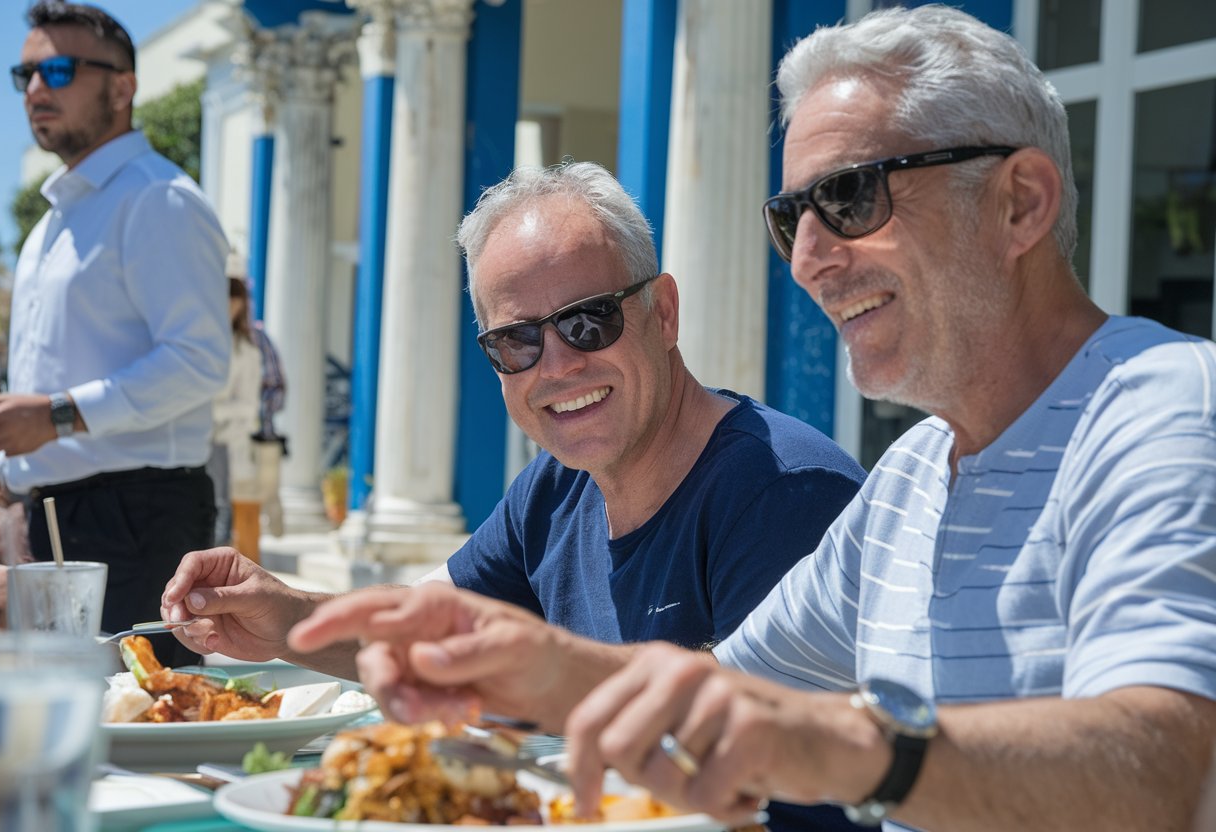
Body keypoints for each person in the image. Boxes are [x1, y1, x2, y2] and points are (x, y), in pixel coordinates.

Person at [240, 6, 1216, 832]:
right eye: (795, 218)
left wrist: (845, 738)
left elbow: (1160, 762)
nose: (810, 257)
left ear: (1020, 202)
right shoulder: (917, 475)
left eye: (851, 196)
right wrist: (528, 663)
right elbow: (715, 693)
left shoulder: (1163, 407)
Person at [163, 162, 867, 828]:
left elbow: (752, 750)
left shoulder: (782, 489)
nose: (558, 366)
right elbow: (429, 633)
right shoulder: (556, 488)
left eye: (589, 321)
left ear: (665, 312)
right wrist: (284, 617)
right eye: (516, 343)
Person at [0, 1, 229, 666]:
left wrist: (57, 417)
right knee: (49, 731)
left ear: (123, 86)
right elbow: (43, 389)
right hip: (51, 516)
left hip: (134, 518)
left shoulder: (158, 200)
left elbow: (199, 361)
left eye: (57, 69)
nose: (35, 89)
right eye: (23, 74)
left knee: (140, 731)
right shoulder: (50, 227)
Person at [208, 276, 263, 557]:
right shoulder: (198, 340)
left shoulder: (246, 350)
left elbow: (248, 405)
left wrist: (210, 410)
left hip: (223, 440)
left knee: (219, 507)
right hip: (188, 437)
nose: (229, 303)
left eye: (235, 296)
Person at [250, 318, 287, 537]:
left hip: (260, 435)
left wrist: (257, 410)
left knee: (261, 495)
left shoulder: (257, 336)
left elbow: (277, 386)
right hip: (220, 438)